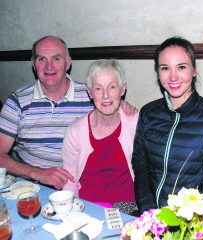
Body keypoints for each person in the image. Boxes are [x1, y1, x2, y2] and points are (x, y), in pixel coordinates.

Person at [0, 35, 136, 190]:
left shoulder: (90, 95)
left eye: (56, 58)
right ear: (33, 64)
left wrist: (122, 105)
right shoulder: (18, 101)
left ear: (68, 62)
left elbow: (109, 103)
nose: (49, 66)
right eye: (41, 59)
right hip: (32, 185)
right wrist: (37, 173)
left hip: (79, 183)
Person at [132, 37, 203, 214]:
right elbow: (140, 164)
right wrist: (148, 210)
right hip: (152, 216)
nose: (173, 77)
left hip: (192, 222)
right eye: (165, 68)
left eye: (181, 67)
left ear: (194, 71)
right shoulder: (148, 113)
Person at [62, 59, 138, 214]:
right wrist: (72, 212)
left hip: (127, 207)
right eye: (98, 88)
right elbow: (70, 180)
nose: (105, 96)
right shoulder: (75, 130)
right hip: (86, 206)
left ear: (122, 89)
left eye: (112, 87)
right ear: (89, 92)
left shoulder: (135, 123)